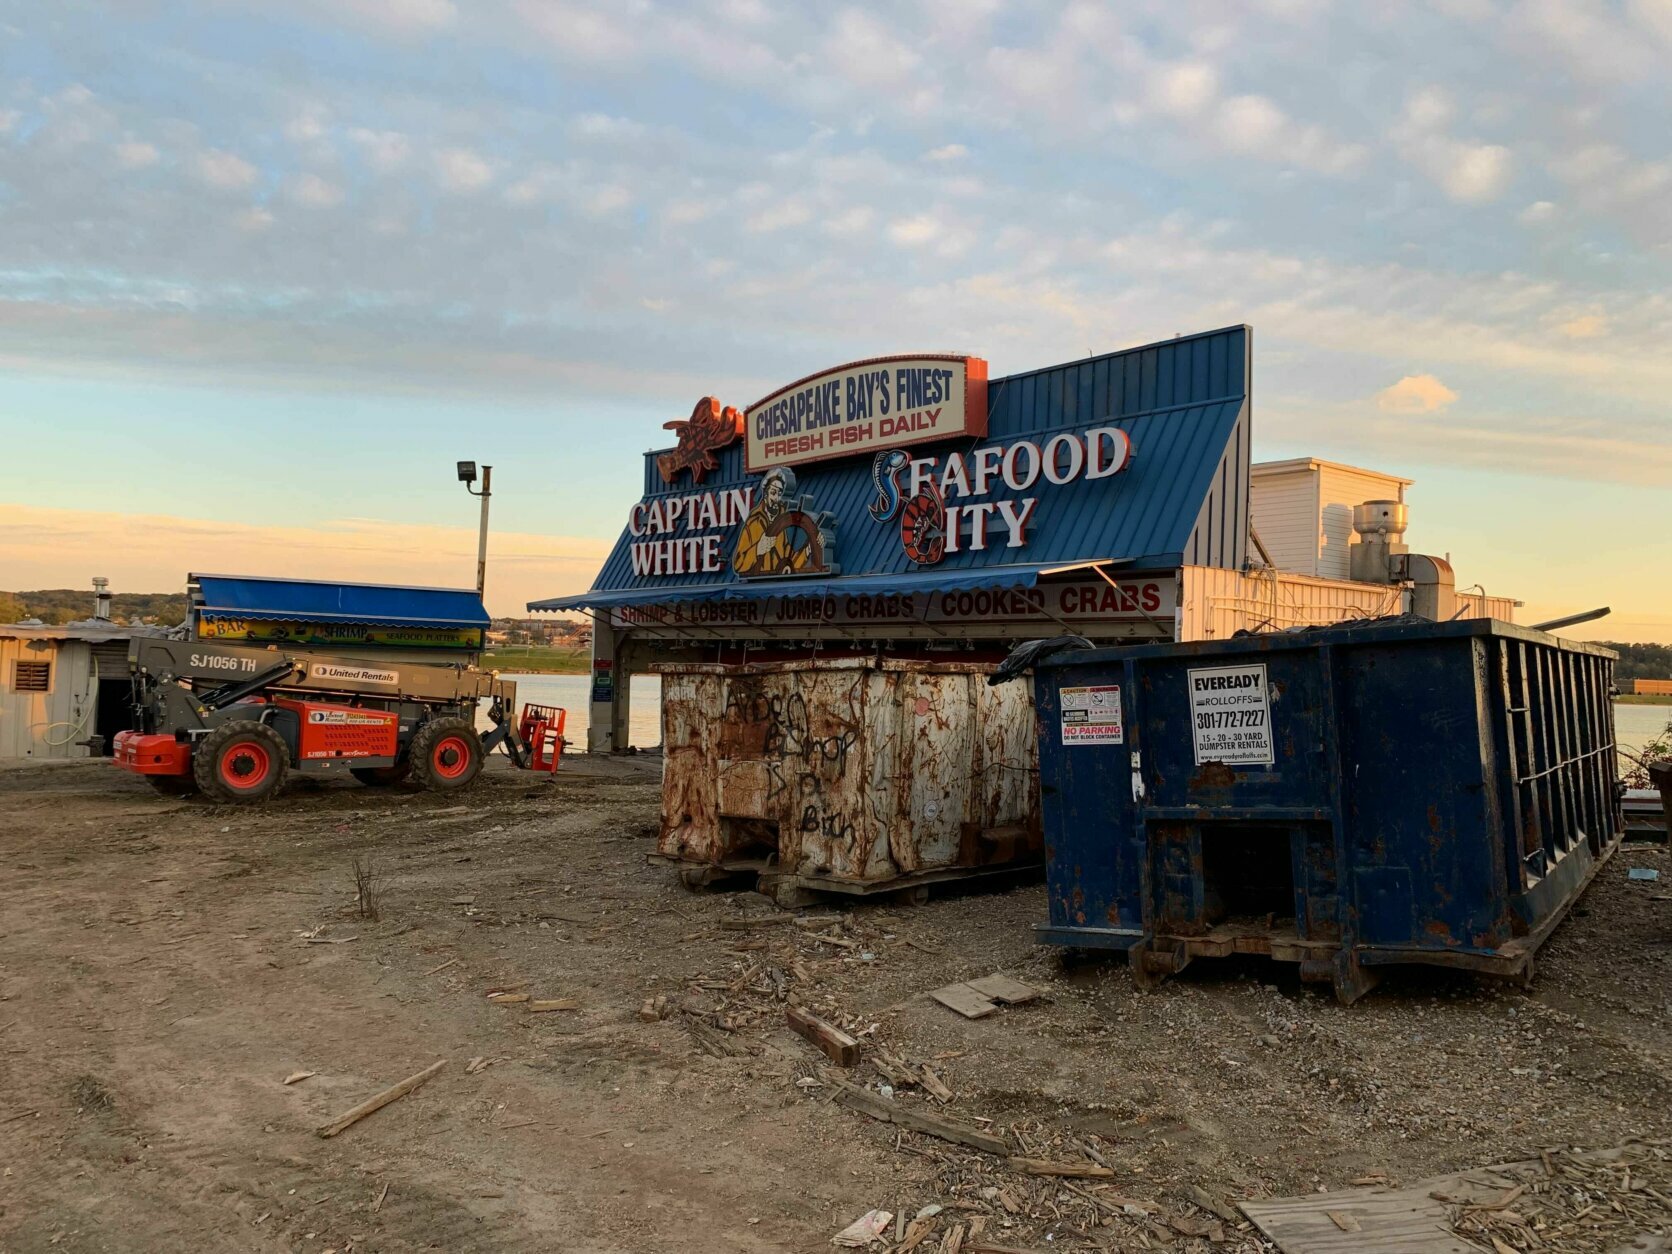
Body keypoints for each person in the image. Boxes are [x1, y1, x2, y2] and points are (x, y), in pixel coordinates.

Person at [734, 467, 816, 576]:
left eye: (780, 493)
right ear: (765, 492)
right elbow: (738, 564)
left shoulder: (781, 521)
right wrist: (758, 549)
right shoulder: (754, 521)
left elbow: (790, 561)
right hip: (759, 585)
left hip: (780, 583)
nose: (776, 498)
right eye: (773, 492)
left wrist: (807, 549)